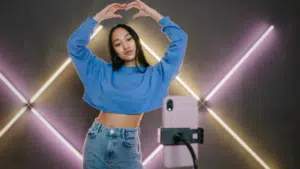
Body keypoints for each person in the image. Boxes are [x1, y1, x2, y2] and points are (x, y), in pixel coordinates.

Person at [66, 0, 188, 168]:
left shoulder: (156, 75)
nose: (125, 45)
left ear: (136, 40)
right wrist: (98, 18)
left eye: (128, 39)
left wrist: (153, 14)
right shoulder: (103, 71)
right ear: (114, 50)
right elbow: (74, 45)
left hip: (127, 144)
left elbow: (181, 39)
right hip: (97, 139)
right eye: (117, 43)